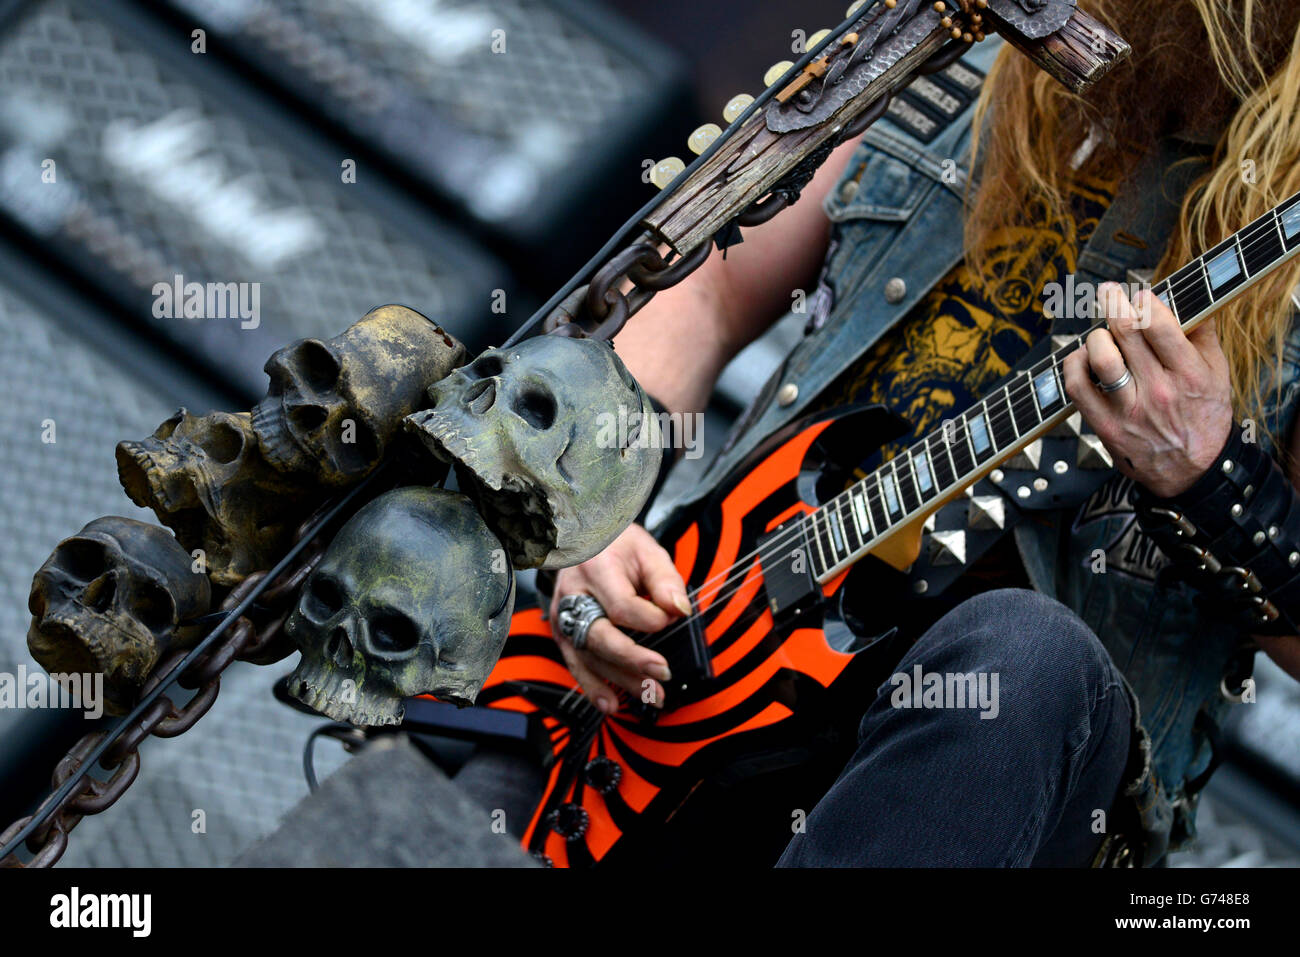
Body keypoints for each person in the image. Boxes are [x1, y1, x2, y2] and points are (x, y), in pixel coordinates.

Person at [539, 0, 1300, 865]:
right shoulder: (955, 39)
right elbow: (705, 295)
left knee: (1028, 656)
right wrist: (589, 506)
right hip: (697, 655)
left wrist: (1211, 472)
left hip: (999, 781)